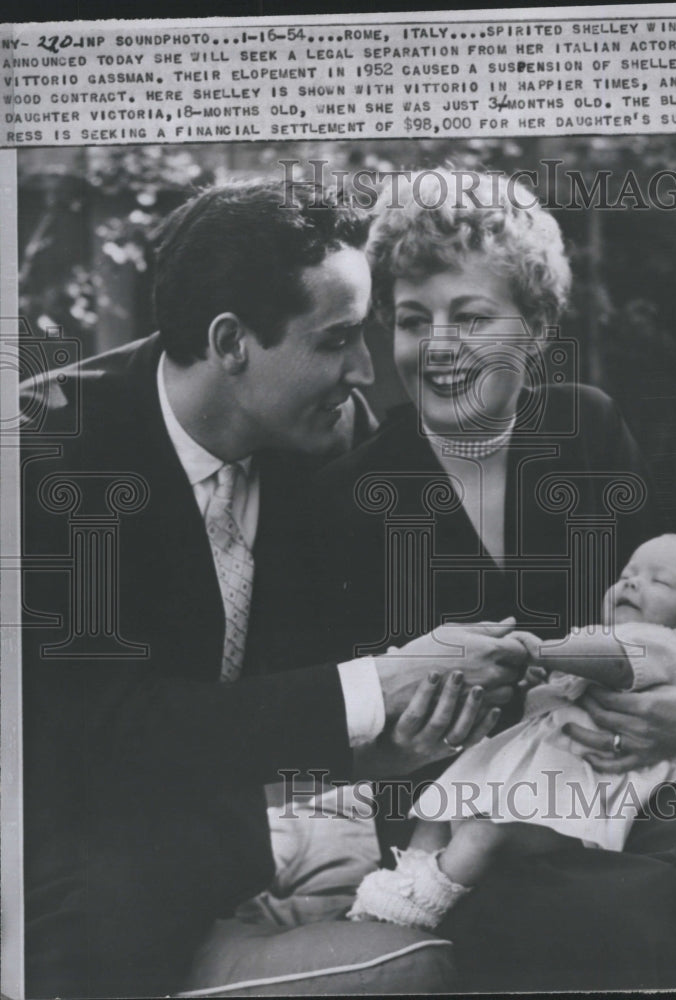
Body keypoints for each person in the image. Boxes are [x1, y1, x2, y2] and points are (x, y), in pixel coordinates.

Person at [19, 180, 525, 998]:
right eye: (335, 341)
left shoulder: (325, 436)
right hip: (53, 862)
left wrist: (401, 727)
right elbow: (96, 733)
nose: (365, 370)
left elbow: (355, 652)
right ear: (230, 341)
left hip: (212, 858)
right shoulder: (41, 460)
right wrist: (367, 693)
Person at [304, 168, 676, 987]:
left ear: (537, 328)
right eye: (413, 321)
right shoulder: (349, 497)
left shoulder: (587, 429)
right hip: (459, 820)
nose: (438, 346)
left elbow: (669, 619)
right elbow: (329, 709)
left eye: (471, 316)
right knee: (630, 910)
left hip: (617, 767)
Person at [348, 535, 676, 929]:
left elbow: (617, 662)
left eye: (660, 581)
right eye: (626, 575)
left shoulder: (665, 644)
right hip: (540, 766)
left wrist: (543, 652)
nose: (631, 583)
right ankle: (403, 883)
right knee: (440, 808)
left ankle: (420, 906)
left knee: (484, 833)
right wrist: (541, 679)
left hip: (578, 787)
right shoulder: (608, 636)